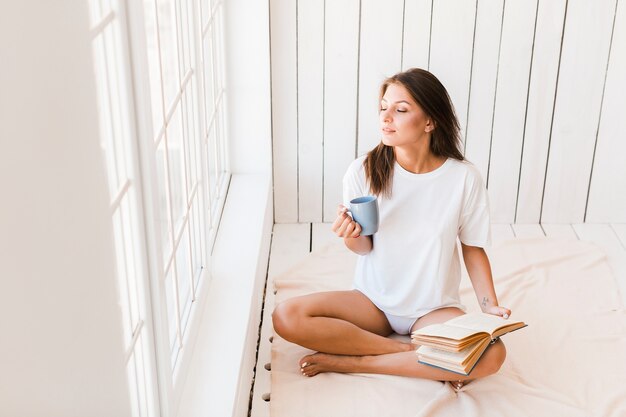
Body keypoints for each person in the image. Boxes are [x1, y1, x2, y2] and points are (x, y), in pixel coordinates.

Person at [272, 68, 511, 391]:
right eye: (383, 108)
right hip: (373, 304)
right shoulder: (364, 170)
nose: (386, 118)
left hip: (434, 309)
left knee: (491, 354)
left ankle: (354, 361)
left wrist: (488, 308)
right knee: (286, 316)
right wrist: (351, 236)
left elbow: (472, 246)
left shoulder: (462, 178)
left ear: (430, 121)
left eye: (400, 110)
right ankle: (404, 353)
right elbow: (364, 248)